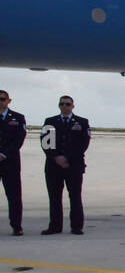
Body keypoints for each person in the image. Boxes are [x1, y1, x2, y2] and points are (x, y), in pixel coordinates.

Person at [41, 95, 90, 235]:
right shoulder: (50, 122)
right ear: (59, 106)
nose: (64, 106)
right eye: (62, 104)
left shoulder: (82, 122)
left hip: (74, 166)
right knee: (54, 197)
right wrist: (56, 157)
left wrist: (67, 157)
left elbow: (83, 144)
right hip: (53, 166)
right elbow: (46, 143)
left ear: (73, 106)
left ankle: (77, 226)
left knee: (75, 196)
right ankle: (55, 226)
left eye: (67, 104)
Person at [0, 90, 26, 236]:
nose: (0, 102)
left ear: (8, 101)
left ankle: (16, 226)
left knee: (14, 196)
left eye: (2, 99)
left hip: (10, 162)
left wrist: (3, 154)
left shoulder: (18, 118)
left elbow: (19, 139)